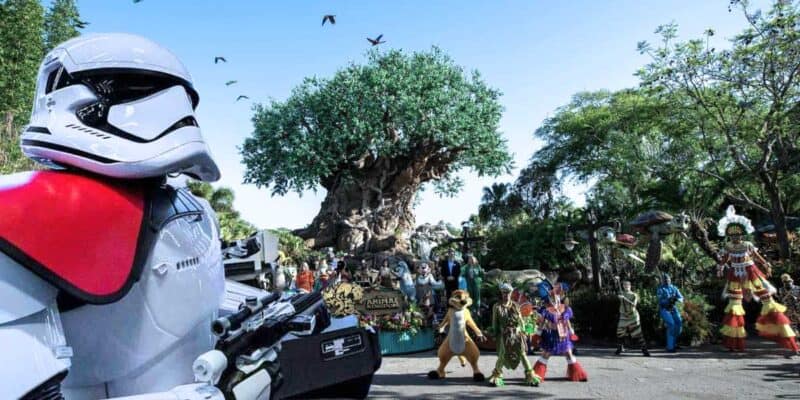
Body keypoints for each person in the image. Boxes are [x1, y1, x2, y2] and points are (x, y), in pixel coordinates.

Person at [716, 206, 798, 353]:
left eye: (738, 235)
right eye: (733, 235)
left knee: (767, 299)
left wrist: (766, 265)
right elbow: (724, 259)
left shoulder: (747, 245)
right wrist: (720, 267)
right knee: (734, 306)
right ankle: (734, 343)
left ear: (742, 235)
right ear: (729, 236)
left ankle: (789, 340)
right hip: (735, 274)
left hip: (751, 271)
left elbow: (757, 257)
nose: (736, 238)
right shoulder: (728, 246)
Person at [532, 280, 588, 383]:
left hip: (564, 335)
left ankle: (578, 375)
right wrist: (538, 334)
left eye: (558, 295)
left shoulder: (564, 308)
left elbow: (567, 321)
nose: (556, 297)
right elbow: (542, 323)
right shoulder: (546, 309)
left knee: (569, 354)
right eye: (554, 296)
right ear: (550, 297)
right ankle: (536, 375)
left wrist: (571, 332)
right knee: (546, 354)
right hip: (551, 335)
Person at [488, 283, 539, 387]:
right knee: (502, 354)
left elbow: (520, 320)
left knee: (522, 353)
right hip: (504, 335)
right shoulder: (497, 307)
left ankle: (530, 375)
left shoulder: (515, 305)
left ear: (511, 294)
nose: (506, 295)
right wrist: (493, 332)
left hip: (517, 334)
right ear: (501, 294)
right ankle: (497, 375)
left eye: (508, 293)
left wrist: (524, 330)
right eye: (504, 293)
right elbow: (495, 323)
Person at [614, 278, 649, 356]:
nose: (626, 286)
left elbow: (634, 304)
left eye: (627, 285)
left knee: (638, 333)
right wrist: (617, 281)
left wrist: (624, 298)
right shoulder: (621, 293)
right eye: (624, 285)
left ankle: (644, 350)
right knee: (620, 332)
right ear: (622, 286)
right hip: (623, 316)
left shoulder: (634, 295)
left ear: (630, 286)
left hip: (633, 316)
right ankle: (620, 348)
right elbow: (618, 293)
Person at [656, 273, 683, 352]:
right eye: (665, 280)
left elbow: (681, 297)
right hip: (665, 309)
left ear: (670, 280)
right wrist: (668, 300)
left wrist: (677, 299)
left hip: (673, 309)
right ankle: (670, 347)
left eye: (668, 279)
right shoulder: (660, 289)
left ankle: (674, 343)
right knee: (671, 324)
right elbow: (660, 301)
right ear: (663, 281)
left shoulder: (674, 288)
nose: (667, 281)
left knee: (679, 324)